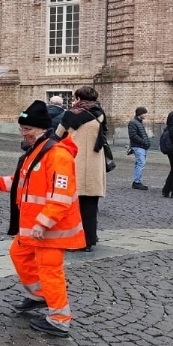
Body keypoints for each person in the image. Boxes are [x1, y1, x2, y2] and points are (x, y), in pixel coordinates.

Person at [0, 100, 84, 338]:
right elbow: (23, 182)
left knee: (50, 271)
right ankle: (38, 296)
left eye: (27, 129)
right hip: (34, 227)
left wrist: (43, 223)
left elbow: (61, 195)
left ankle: (59, 319)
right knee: (18, 254)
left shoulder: (58, 155)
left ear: (41, 129)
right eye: (22, 129)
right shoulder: (38, 151)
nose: (24, 134)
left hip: (50, 229)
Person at [55, 85, 107, 250]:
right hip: (94, 162)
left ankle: (77, 240)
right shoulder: (100, 114)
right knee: (91, 205)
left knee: (73, 206)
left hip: (74, 160)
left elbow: (58, 134)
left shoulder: (71, 114)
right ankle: (90, 238)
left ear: (78, 98)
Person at [128, 105, 151, 189]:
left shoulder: (139, 122)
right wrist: (143, 142)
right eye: (144, 113)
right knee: (141, 163)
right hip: (138, 146)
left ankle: (137, 181)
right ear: (139, 114)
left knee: (140, 163)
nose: (145, 115)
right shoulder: (133, 122)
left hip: (142, 146)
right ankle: (137, 182)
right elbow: (133, 135)